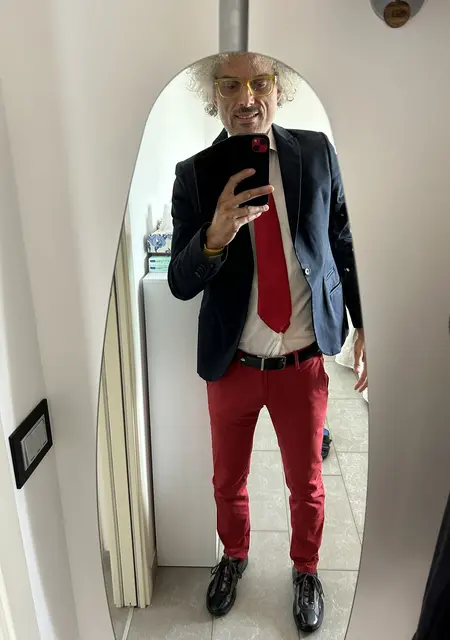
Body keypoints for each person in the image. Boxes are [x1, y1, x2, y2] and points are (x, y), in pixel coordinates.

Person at [168, 52, 367, 634]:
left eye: (260, 82)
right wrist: (214, 236)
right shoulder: (194, 174)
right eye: (230, 85)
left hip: (301, 362)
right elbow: (180, 281)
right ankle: (233, 556)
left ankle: (306, 569)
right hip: (232, 363)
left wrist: (364, 323)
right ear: (213, 94)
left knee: (306, 483)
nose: (246, 98)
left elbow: (343, 240)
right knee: (227, 480)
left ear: (281, 87)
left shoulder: (317, 153)